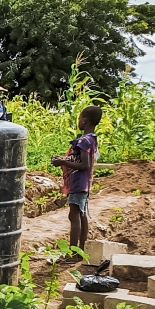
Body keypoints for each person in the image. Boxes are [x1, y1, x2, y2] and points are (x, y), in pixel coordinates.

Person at [52, 106, 102, 253]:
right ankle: (81, 249)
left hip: (78, 182)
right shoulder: (91, 139)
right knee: (81, 213)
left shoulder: (84, 141)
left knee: (74, 215)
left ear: (85, 121)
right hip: (84, 183)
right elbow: (80, 159)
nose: (79, 121)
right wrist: (64, 159)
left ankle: (73, 251)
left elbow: (84, 165)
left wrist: (63, 162)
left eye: (80, 118)